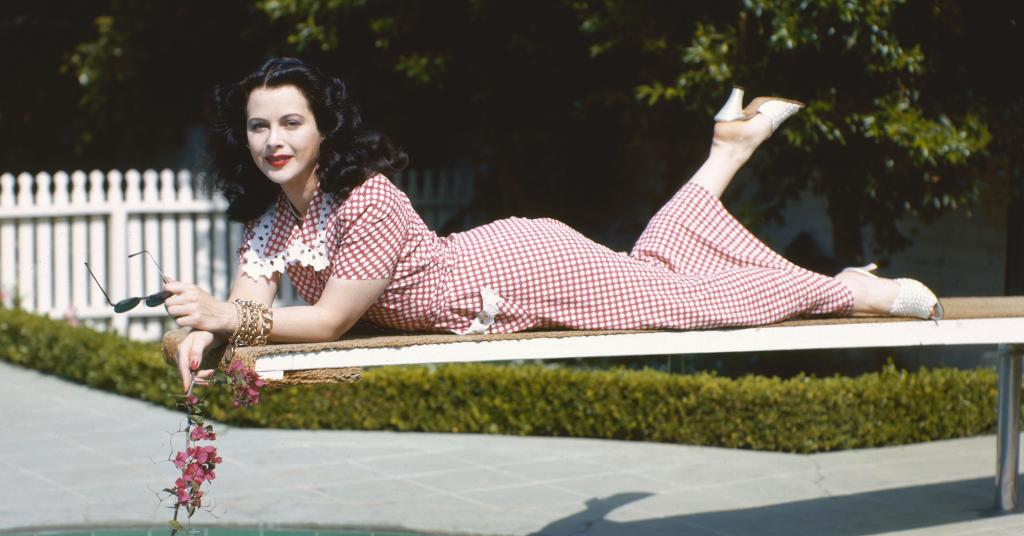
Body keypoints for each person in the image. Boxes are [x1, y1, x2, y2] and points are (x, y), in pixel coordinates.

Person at [166, 57, 941, 392]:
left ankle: (848, 292)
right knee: (661, 273)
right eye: (260, 126)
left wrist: (226, 315)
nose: (274, 141)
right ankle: (726, 151)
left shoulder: (366, 198)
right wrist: (203, 334)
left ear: (323, 127)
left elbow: (327, 322)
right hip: (496, 278)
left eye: (291, 122)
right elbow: (252, 310)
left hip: (522, 270)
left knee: (692, 304)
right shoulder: (275, 224)